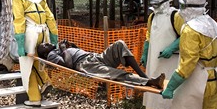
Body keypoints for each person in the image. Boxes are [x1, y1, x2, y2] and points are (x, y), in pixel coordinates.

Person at [138, 0, 185, 109]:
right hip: (154, 59)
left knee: (169, 84)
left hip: (171, 60)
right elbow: (149, 35)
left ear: (166, 3)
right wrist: (145, 53)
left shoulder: (175, 16)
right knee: (152, 82)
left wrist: (172, 48)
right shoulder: (152, 17)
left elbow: (185, 35)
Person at [37, 40, 165, 89]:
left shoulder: (57, 49)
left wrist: (72, 46)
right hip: (86, 64)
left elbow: (76, 52)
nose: (46, 43)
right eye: (44, 46)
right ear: (45, 53)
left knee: (119, 45)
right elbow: (67, 65)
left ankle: (144, 75)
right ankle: (149, 82)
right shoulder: (51, 55)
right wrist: (64, 49)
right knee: (116, 74)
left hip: (94, 57)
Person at [11, 0, 58, 107]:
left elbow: (19, 20)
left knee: (27, 67)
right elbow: (51, 18)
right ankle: (45, 81)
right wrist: (54, 40)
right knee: (37, 60)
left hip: (30, 33)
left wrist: (20, 44)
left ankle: (34, 98)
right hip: (44, 32)